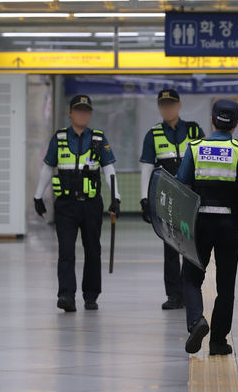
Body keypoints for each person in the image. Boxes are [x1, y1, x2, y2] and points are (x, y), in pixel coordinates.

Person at [175, 99, 238, 355]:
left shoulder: (195, 148)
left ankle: (197, 320)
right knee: (226, 285)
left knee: (190, 277)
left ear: (211, 120)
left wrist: (184, 224)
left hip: (200, 223)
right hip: (229, 224)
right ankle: (219, 341)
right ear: (236, 123)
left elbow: (183, 187)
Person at [33, 94, 121, 313]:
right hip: (65, 205)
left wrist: (116, 197)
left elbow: (108, 168)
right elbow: (47, 167)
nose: (83, 114)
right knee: (66, 250)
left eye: (86, 111)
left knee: (93, 250)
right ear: (70, 113)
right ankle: (66, 296)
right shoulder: (60, 138)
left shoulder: (99, 139)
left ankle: (91, 296)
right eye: (78, 110)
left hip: (91, 205)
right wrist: (37, 196)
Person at [139, 88, 205, 310]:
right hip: (165, 201)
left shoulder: (194, 130)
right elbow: (147, 167)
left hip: (190, 200)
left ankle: (191, 291)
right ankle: (174, 295)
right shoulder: (153, 135)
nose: (167, 109)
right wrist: (144, 200)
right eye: (163, 106)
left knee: (191, 247)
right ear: (159, 108)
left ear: (179, 106)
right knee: (170, 249)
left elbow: (204, 161)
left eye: (171, 105)